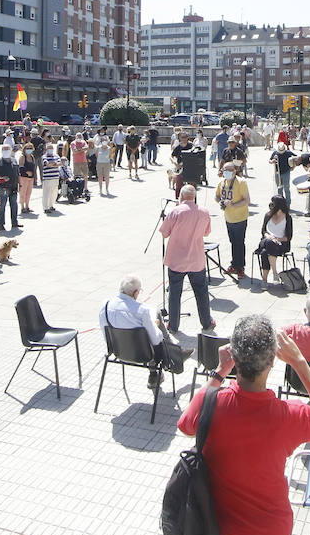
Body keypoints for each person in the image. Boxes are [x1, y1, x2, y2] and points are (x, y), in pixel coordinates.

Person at [177, 316, 310, 535]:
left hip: (217, 528)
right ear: (273, 361)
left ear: (234, 355)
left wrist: (221, 369)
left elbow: (185, 425)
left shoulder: (212, 402)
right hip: (270, 534)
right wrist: (300, 362)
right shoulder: (289, 414)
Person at [98, 275, 190, 390]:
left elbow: (105, 332)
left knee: (148, 331)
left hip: (117, 351)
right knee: (156, 318)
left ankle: (158, 372)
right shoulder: (142, 310)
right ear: (135, 293)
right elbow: (156, 340)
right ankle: (174, 356)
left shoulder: (105, 305)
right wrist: (155, 326)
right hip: (144, 355)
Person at [160, 185, 215, 333]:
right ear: (194, 196)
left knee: (174, 293)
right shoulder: (204, 211)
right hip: (196, 259)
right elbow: (206, 233)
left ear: (181, 196)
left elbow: (164, 233)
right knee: (201, 292)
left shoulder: (175, 211)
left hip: (177, 260)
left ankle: (173, 325)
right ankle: (207, 322)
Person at [216, 161, 251, 281]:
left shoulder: (241, 182)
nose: (226, 173)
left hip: (240, 217)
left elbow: (246, 200)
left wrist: (233, 205)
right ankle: (234, 264)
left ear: (234, 171)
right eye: (224, 170)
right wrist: (221, 202)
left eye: (229, 170)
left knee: (239, 242)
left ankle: (240, 267)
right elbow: (216, 196)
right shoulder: (221, 182)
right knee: (233, 242)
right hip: (228, 217)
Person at [254, 195, 294, 288]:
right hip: (266, 240)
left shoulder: (287, 218)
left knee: (265, 253)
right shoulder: (268, 215)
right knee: (269, 242)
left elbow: (288, 237)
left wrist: (277, 239)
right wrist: (270, 237)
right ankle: (275, 272)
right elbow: (263, 231)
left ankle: (264, 280)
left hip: (280, 244)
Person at [0, 144, 20, 231]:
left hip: (13, 187)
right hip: (3, 187)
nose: (6, 151)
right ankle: (1, 224)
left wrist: (19, 184)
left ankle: (14, 222)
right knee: (2, 206)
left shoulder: (14, 161)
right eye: (4, 149)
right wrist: (2, 178)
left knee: (14, 205)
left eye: (8, 149)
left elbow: (17, 173)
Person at [269, 142, 296, 206]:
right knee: (279, 189)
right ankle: (280, 204)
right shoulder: (275, 153)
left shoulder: (288, 153)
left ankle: (288, 204)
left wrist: (293, 167)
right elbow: (269, 160)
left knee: (286, 188)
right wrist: (272, 161)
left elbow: (296, 158)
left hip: (286, 172)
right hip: (277, 173)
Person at [39, 144, 64, 213]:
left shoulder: (56, 156)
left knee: (54, 192)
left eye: (51, 148)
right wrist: (54, 164)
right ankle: (46, 207)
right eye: (49, 148)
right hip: (47, 178)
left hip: (55, 177)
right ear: (46, 149)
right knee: (46, 193)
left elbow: (60, 163)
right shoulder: (44, 156)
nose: (50, 150)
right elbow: (47, 164)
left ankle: (51, 205)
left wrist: (53, 164)